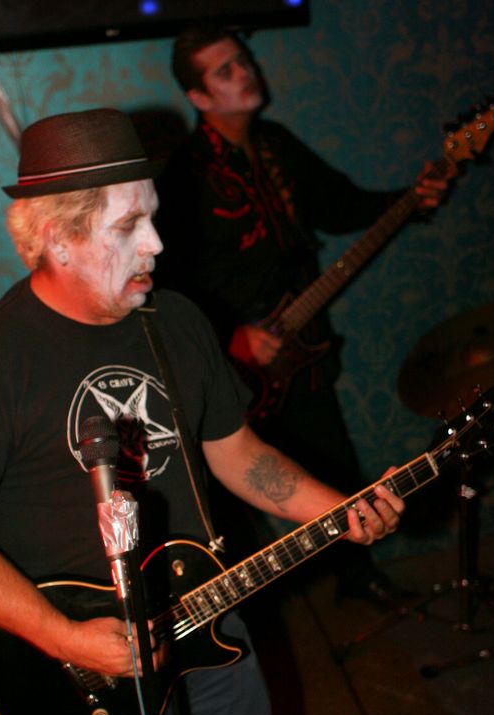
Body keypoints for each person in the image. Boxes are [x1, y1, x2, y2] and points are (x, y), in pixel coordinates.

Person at [0, 108, 405, 715]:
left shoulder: (175, 321)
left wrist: (342, 508)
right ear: (59, 239)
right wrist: (67, 639)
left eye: (153, 215)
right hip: (84, 661)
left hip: (206, 610)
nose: (155, 242)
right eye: (129, 226)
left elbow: (238, 454)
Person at [156, 23, 451, 605]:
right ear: (198, 96)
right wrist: (231, 337)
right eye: (225, 71)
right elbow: (168, 283)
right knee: (236, 488)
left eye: (243, 60)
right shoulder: (185, 176)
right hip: (230, 366)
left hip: (303, 348)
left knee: (332, 465)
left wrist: (411, 199)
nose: (246, 72)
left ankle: (356, 577)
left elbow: (339, 205)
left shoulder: (275, 144)